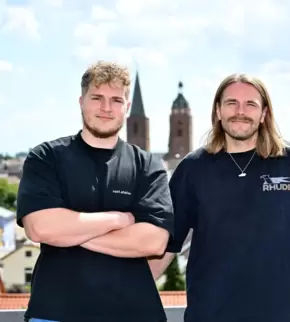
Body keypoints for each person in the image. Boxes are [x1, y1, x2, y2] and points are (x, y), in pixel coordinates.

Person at [148, 73, 290, 322]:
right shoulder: (193, 168)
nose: (240, 111)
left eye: (250, 104)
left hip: (280, 315)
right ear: (218, 111)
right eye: (231, 103)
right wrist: (119, 297)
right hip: (209, 315)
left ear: (263, 114)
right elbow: (164, 247)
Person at [16, 61, 174, 322]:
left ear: (127, 107)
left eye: (115, 100)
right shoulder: (46, 157)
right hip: (56, 313)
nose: (106, 108)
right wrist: (118, 220)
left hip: (134, 314)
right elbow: (41, 228)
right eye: (97, 97)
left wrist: (69, 232)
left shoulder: (148, 166)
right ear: (81, 101)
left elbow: (153, 242)